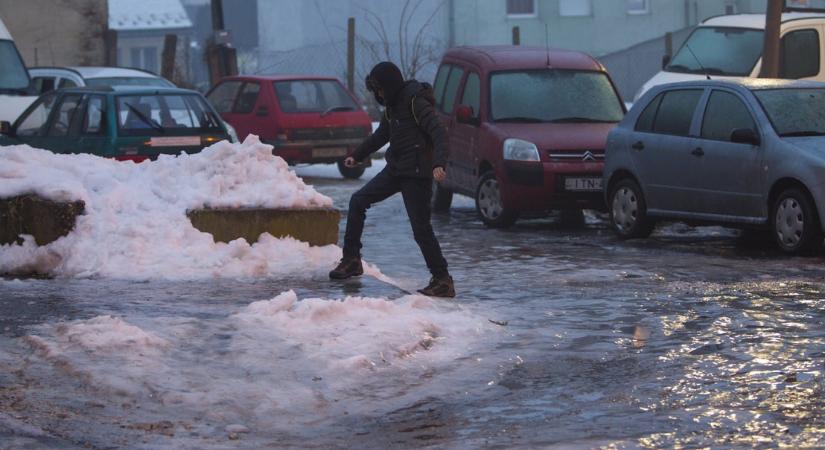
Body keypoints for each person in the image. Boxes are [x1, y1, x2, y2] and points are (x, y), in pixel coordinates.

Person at [329, 61, 455, 298]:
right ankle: (351, 260)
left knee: (421, 229)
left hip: (417, 174)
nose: (378, 94)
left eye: (379, 89)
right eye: (375, 90)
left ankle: (442, 279)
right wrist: (357, 156)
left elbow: (439, 132)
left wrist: (439, 163)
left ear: (390, 84)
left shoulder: (415, 102)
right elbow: (381, 135)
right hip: (396, 169)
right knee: (358, 201)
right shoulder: (392, 106)